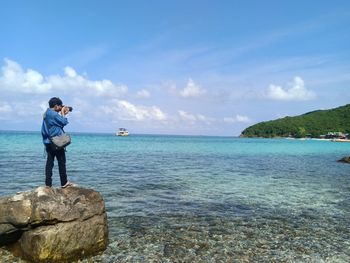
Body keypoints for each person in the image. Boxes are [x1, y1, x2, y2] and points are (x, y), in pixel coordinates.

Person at [41, 97, 73, 188]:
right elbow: (64, 122)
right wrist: (63, 114)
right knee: (61, 162)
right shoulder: (54, 115)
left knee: (49, 163)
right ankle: (64, 183)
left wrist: (61, 111)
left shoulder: (46, 113)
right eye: (60, 107)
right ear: (56, 106)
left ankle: (48, 184)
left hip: (48, 141)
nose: (60, 108)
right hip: (57, 142)